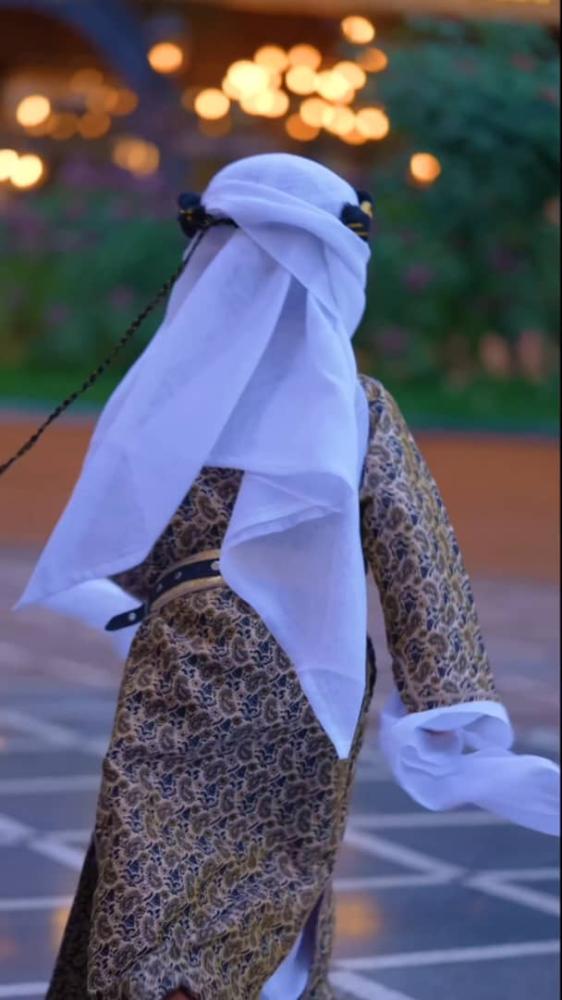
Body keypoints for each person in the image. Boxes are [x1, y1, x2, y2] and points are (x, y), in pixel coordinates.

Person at [7, 154, 558, 1000]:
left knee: (146, 886)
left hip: (183, 669)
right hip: (304, 678)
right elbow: (421, 573)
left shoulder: (172, 393)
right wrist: (448, 715)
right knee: (259, 896)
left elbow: (129, 544)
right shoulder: (356, 409)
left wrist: (167, 593)